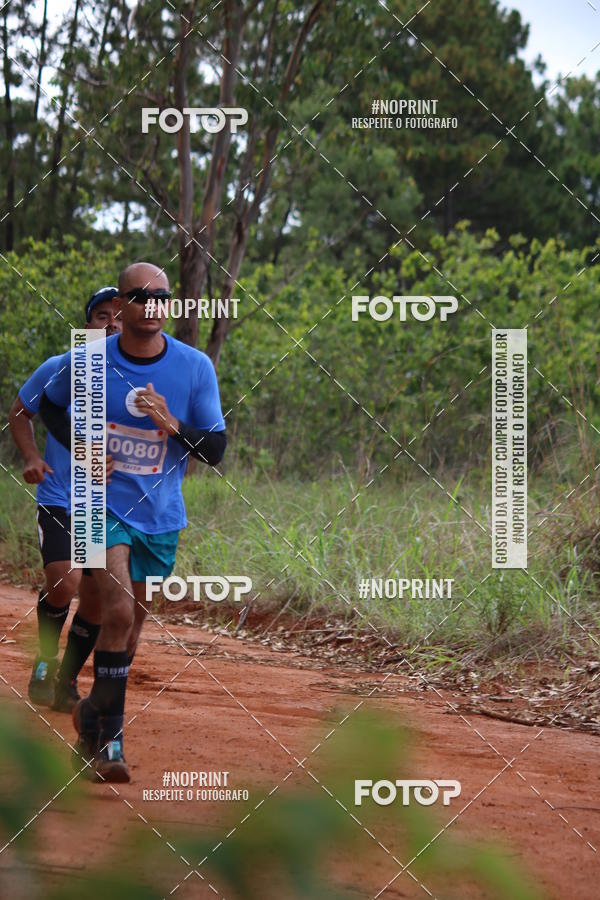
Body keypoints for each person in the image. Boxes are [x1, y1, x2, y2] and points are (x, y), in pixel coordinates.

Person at [39, 262, 227, 783]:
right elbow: (46, 405)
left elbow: (214, 449)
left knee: (131, 624)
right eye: (139, 296)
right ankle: (111, 745)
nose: (151, 305)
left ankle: (91, 724)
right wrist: (82, 447)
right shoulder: (89, 359)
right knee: (117, 609)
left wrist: (174, 426)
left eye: (160, 296)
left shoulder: (193, 369)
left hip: (159, 515)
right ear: (118, 308)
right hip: (96, 505)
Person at [8, 287, 121, 712]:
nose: (111, 324)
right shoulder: (62, 369)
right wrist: (33, 456)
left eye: (120, 317)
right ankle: (44, 659)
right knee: (64, 581)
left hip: (102, 504)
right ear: (87, 325)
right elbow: (21, 411)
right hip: (58, 495)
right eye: (101, 317)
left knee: (94, 600)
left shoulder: (139, 380)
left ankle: (66, 680)